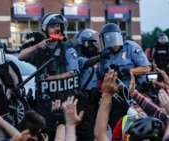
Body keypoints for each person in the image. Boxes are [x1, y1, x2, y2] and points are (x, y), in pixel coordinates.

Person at [18, 12, 80, 141]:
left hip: (63, 100)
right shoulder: (40, 48)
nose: (56, 28)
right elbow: (21, 56)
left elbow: (73, 72)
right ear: (45, 29)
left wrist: (51, 78)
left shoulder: (67, 47)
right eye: (52, 26)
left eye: (58, 26)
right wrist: (37, 46)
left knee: (63, 133)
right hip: (44, 103)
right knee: (45, 135)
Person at [99, 23, 151, 129]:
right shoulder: (105, 52)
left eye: (114, 39)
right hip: (116, 96)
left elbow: (146, 68)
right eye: (109, 40)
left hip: (134, 94)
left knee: (136, 126)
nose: (112, 44)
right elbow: (102, 73)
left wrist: (127, 71)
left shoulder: (131, 47)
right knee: (116, 125)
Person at [74, 28, 109, 140]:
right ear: (84, 44)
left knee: (94, 131)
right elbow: (87, 63)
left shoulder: (95, 63)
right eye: (91, 43)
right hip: (84, 101)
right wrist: (100, 57)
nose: (94, 46)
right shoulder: (79, 59)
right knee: (85, 133)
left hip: (94, 101)